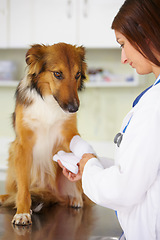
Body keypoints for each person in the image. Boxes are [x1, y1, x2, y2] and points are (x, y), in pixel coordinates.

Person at [53, 0, 160, 239]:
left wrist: (90, 165)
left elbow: (125, 189)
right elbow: (146, 172)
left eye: (123, 44)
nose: (123, 58)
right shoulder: (153, 98)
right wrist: (91, 165)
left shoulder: (155, 106)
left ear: (146, 33)